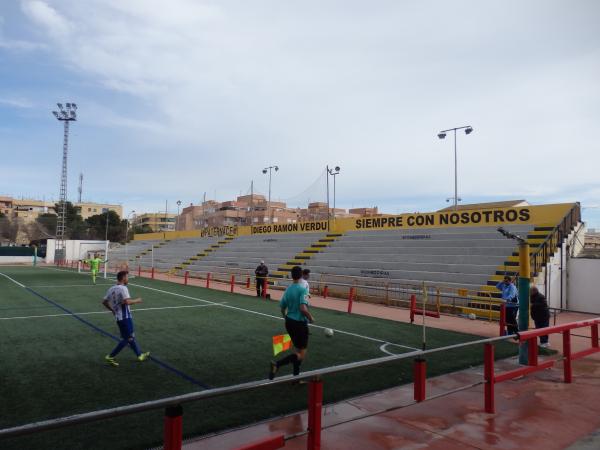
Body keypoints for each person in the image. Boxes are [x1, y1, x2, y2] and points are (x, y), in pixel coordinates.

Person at [269, 266, 314, 379]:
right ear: (302, 275)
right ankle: (277, 364)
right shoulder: (303, 289)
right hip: (299, 323)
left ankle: (296, 379)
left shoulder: (288, 289)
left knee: (297, 350)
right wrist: (310, 317)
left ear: (291, 276)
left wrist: (286, 317)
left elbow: (282, 308)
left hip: (289, 322)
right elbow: (303, 309)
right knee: (301, 354)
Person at [102, 271, 150, 366]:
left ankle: (139, 355)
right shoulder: (123, 288)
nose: (128, 279)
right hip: (125, 317)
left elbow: (104, 301)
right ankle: (110, 356)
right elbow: (127, 302)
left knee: (130, 336)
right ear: (123, 278)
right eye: (127, 277)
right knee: (128, 338)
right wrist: (138, 300)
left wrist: (112, 310)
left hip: (119, 317)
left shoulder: (111, 288)